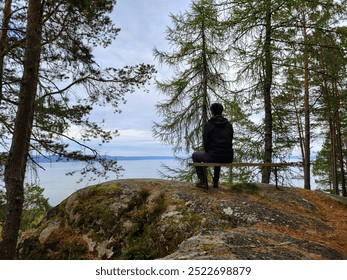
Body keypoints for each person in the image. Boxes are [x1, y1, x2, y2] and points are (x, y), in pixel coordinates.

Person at [192, 103, 234, 188]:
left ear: (212, 112)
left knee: (195, 155)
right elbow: (230, 139)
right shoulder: (228, 125)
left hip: (214, 156)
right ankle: (215, 182)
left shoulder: (209, 124)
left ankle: (203, 181)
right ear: (222, 111)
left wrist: (208, 151)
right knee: (217, 153)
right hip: (228, 157)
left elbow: (206, 141)